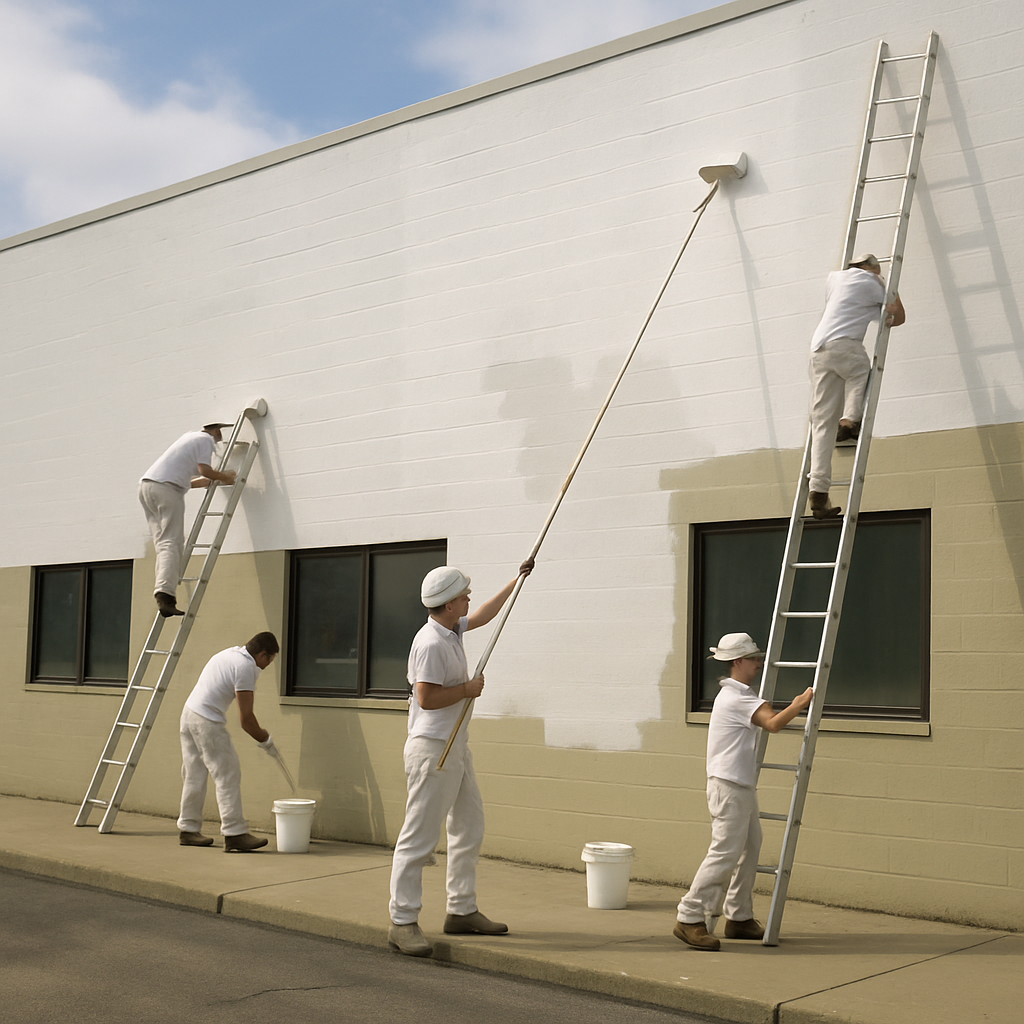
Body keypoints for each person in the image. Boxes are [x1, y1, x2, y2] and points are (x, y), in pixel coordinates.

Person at [387, 559, 534, 957]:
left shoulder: (450, 629)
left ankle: (461, 909)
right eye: (464, 593)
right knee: (418, 838)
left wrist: (517, 579)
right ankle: (402, 921)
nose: (470, 596)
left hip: (455, 747)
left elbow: (485, 614)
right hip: (432, 750)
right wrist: (468, 689)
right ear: (449, 603)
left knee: (469, 826)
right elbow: (426, 698)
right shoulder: (431, 643)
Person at [674, 632, 813, 951]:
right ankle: (689, 916)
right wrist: (799, 704)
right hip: (729, 786)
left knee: (751, 846)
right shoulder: (737, 698)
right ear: (737, 662)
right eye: (753, 659)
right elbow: (774, 723)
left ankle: (738, 916)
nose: (759, 663)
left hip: (739, 784)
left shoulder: (738, 695)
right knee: (724, 851)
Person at [807, 253, 906, 519]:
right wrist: (887, 284)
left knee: (822, 423)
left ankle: (818, 492)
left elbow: (854, 307)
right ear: (871, 268)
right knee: (860, 370)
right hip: (843, 344)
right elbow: (898, 316)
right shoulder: (872, 281)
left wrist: (879, 308)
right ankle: (850, 421)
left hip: (818, 350)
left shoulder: (835, 279)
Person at [177, 632, 281, 852]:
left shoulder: (228, 654)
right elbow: (246, 720)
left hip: (188, 715)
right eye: (269, 659)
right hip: (207, 721)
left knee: (194, 774)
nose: (268, 665)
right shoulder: (245, 667)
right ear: (262, 653)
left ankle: (188, 829)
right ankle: (234, 833)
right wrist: (266, 741)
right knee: (228, 773)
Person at [138, 422, 237, 617]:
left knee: (163, 543)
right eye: (221, 433)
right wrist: (225, 477)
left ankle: (163, 588)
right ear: (215, 430)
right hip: (165, 489)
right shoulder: (205, 440)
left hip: (147, 487)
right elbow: (205, 471)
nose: (221, 439)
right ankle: (165, 596)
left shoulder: (188, 439)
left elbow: (192, 479)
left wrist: (217, 479)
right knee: (171, 542)